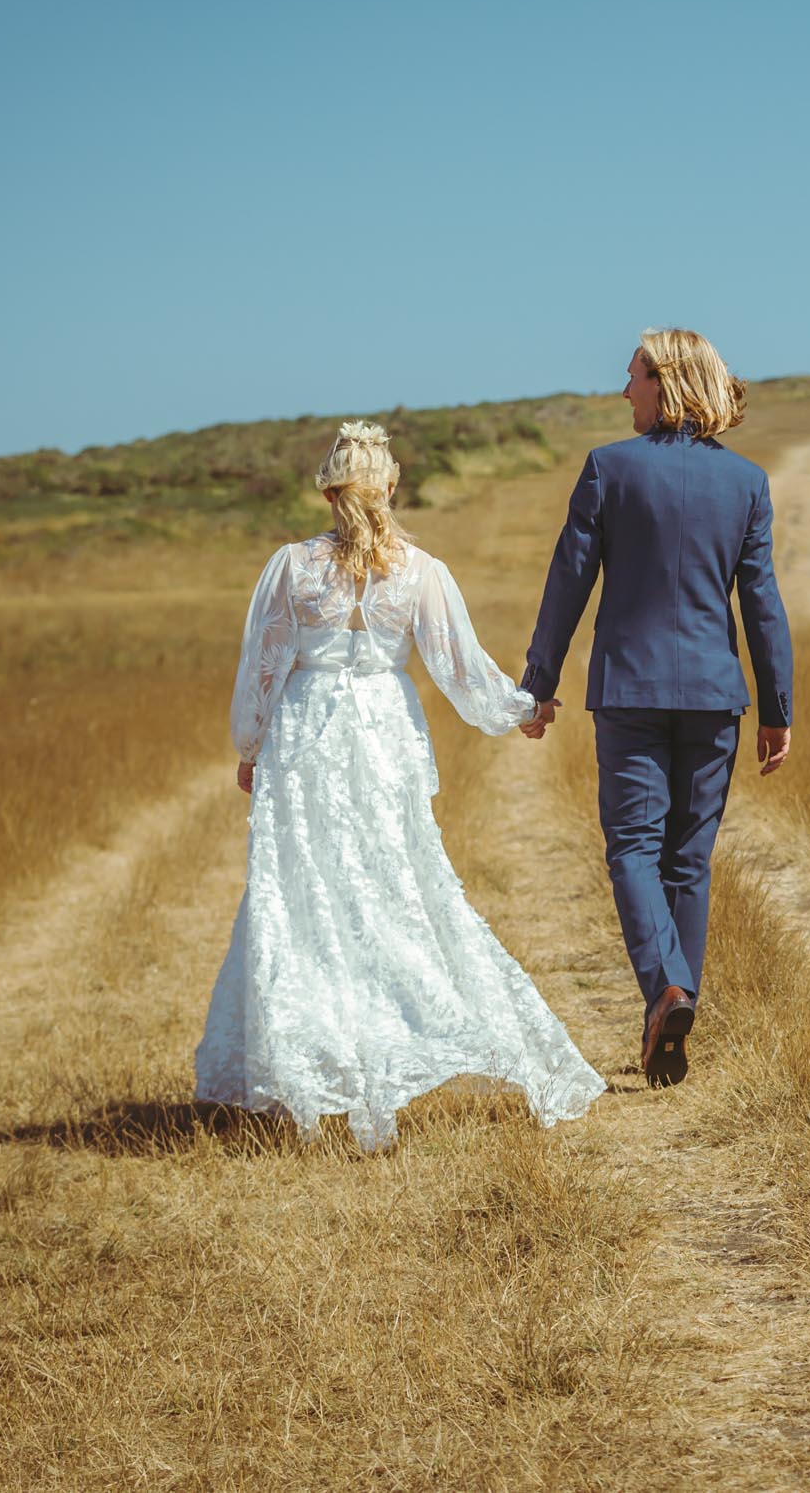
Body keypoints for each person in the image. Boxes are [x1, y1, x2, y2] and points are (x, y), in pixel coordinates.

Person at [194, 421, 606, 1151]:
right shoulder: (419, 571)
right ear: (391, 486)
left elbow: (262, 667)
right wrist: (522, 709)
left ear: (329, 490)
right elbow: (461, 668)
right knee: (395, 889)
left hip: (307, 739)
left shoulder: (291, 568)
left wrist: (250, 747)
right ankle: (371, 1055)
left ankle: (319, 1072)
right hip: (382, 735)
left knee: (307, 897)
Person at [519, 327, 793, 1088]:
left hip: (631, 692)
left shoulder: (609, 468)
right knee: (688, 860)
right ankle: (674, 1016)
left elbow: (566, 581)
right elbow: (762, 602)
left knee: (634, 849)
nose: (625, 392)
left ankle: (666, 992)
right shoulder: (746, 483)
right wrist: (778, 705)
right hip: (714, 698)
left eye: (634, 377)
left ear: (665, 382)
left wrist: (538, 681)